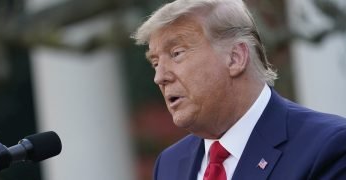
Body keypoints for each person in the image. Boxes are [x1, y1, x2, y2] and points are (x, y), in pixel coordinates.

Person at [132, 0, 346, 179]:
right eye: (155, 63)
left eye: (176, 53)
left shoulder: (328, 147)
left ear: (235, 58)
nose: (159, 77)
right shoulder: (168, 165)